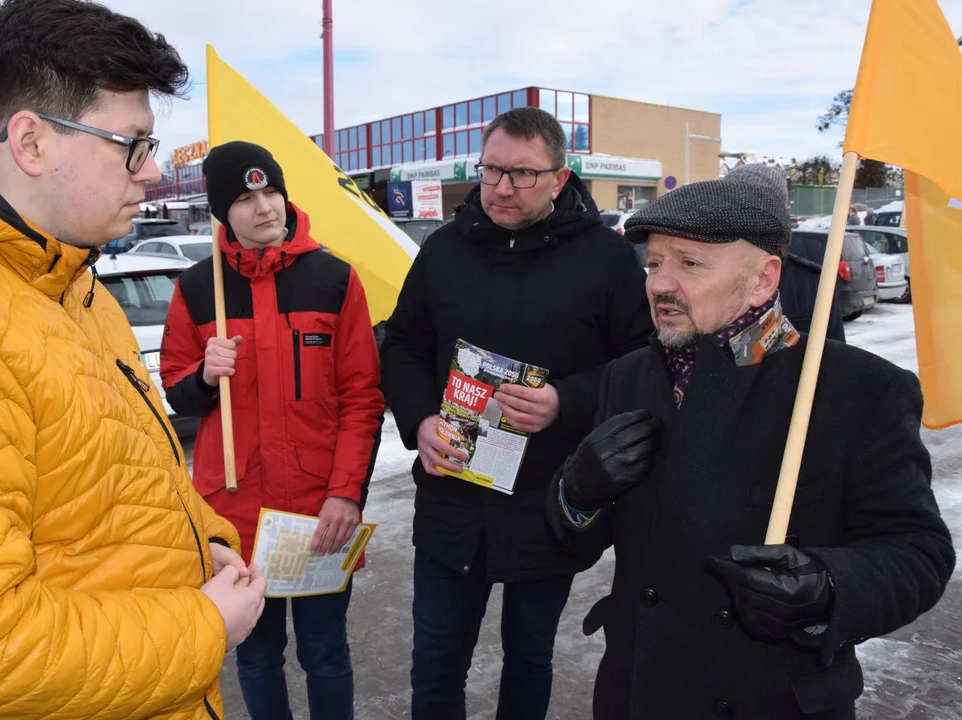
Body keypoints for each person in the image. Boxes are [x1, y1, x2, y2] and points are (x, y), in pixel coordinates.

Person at [0, 2, 268, 718]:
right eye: (132, 144)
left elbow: (113, 479)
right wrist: (202, 625)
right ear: (30, 141)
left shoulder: (70, 283)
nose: (152, 172)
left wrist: (200, 546)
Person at [548, 167, 954, 719]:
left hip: (771, 699)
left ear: (764, 280)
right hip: (640, 692)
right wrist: (578, 493)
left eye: (689, 263)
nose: (660, 284)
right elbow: (571, 544)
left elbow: (918, 554)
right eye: (655, 264)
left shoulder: (860, 389)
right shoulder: (626, 378)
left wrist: (828, 587)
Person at [380, 106, 654, 719]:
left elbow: (643, 361)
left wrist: (567, 401)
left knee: (529, 659)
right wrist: (420, 420)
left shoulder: (605, 260)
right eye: (492, 170)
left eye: (523, 175)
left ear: (560, 179)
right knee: (437, 657)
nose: (502, 187)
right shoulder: (445, 249)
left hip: (548, 498)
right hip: (453, 493)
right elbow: (403, 344)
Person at [159, 141, 385, 720]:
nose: (265, 208)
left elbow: (362, 398)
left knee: (326, 654)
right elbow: (174, 389)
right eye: (244, 197)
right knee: (256, 659)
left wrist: (346, 494)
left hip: (317, 516)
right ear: (219, 211)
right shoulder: (194, 288)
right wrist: (205, 378)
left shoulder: (335, 279)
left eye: (271, 191)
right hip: (235, 517)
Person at [724, 164, 846, 342]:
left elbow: (836, 358)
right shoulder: (701, 274)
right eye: (730, 207)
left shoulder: (812, 283)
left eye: (753, 208)